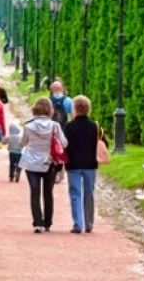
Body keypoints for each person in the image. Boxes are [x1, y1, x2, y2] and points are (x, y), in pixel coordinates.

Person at [20, 97, 67, 233]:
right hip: (49, 161)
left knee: (34, 192)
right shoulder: (55, 126)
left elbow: (23, 143)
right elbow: (64, 143)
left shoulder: (28, 126)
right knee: (48, 192)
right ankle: (47, 222)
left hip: (31, 163)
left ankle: (37, 222)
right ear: (50, 110)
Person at [63, 96, 105, 233]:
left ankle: (77, 223)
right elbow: (103, 143)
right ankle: (89, 223)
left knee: (75, 193)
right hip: (90, 164)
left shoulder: (69, 126)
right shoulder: (94, 126)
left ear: (74, 109)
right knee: (89, 194)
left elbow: (64, 145)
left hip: (73, 163)